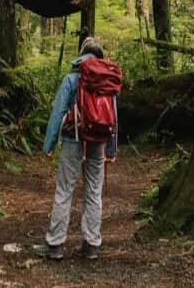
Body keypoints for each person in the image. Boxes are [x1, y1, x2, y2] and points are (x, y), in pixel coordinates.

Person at [40, 32, 119, 260]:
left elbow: (58, 112)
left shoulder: (72, 78)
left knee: (65, 190)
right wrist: (111, 149)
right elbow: (113, 116)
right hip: (99, 140)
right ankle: (92, 244)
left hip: (73, 138)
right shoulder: (106, 79)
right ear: (100, 54)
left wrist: (49, 144)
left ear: (81, 53)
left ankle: (55, 245)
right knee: (94, 191)